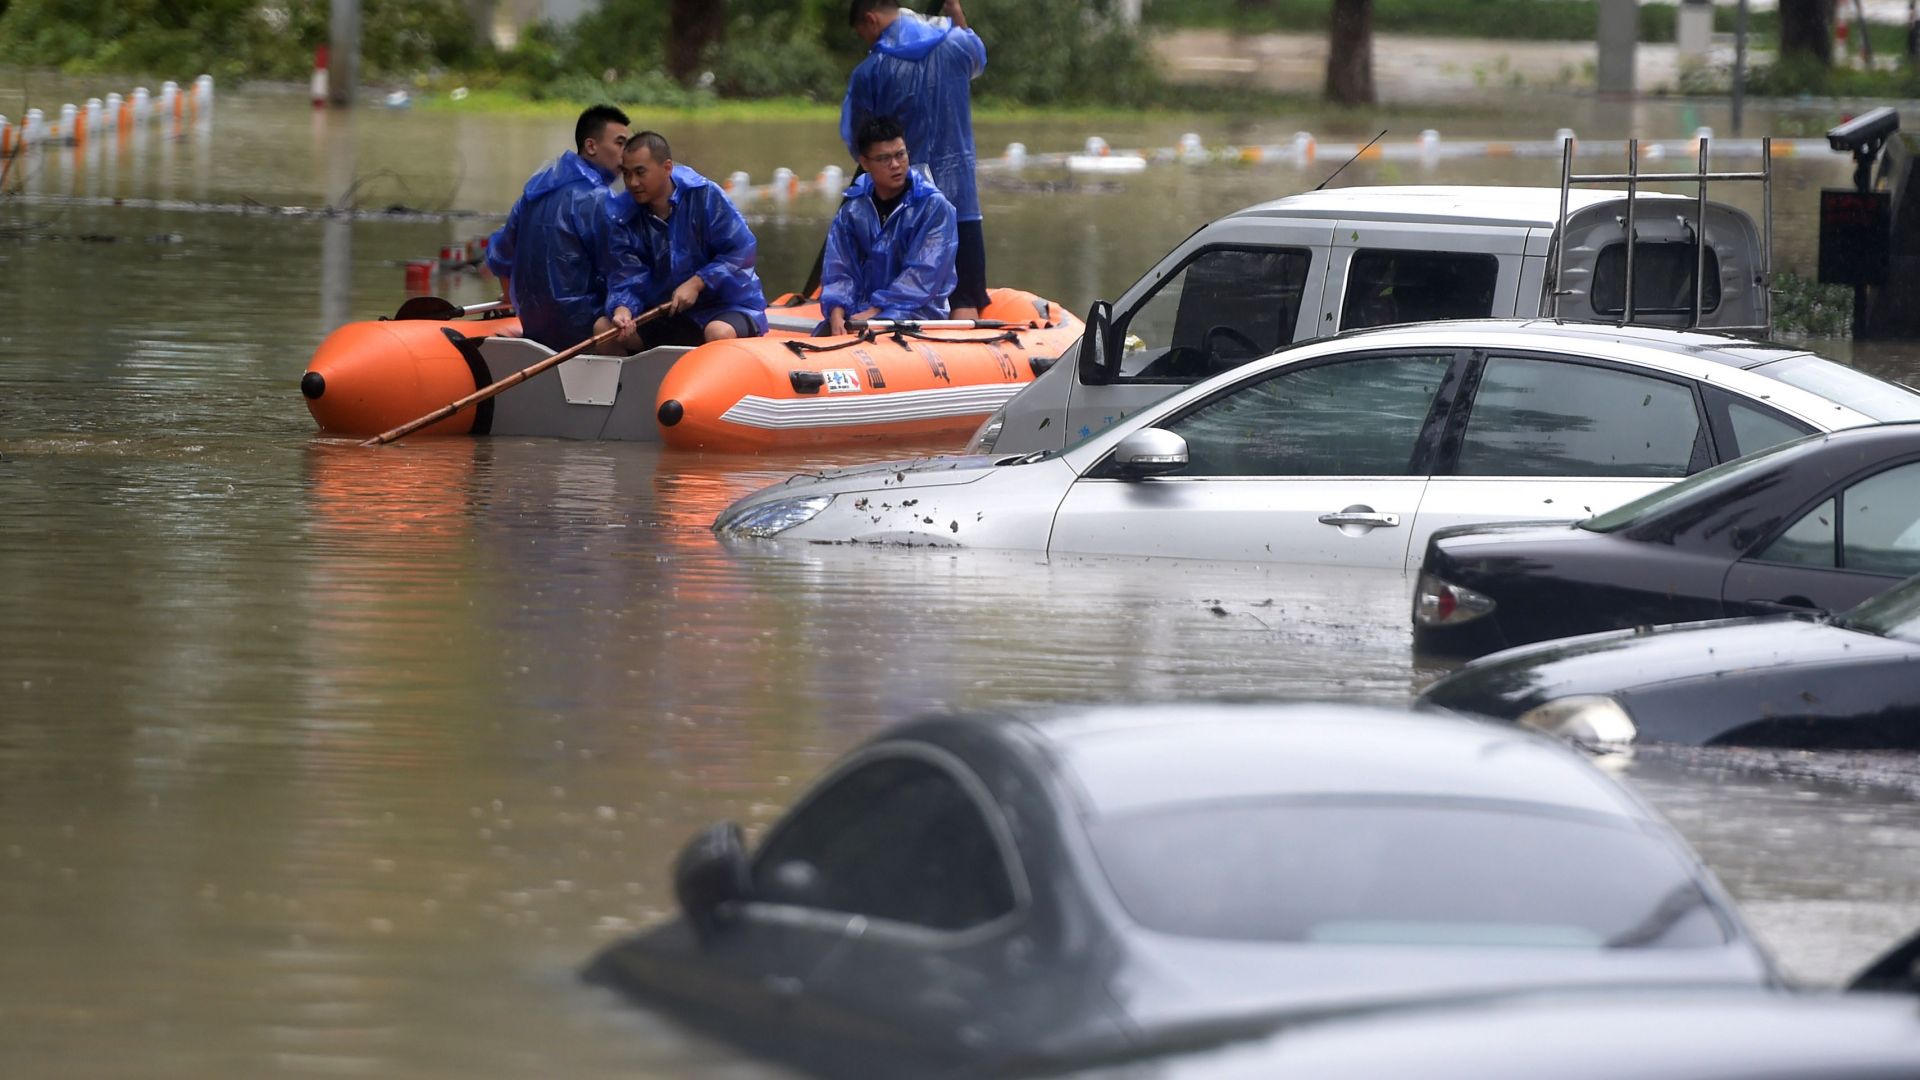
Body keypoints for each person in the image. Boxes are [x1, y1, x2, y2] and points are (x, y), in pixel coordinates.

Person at [841, 0, 988, 320]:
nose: (867, 42)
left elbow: (859, 139)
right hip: (961, 197)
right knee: (965, 298)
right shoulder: (957, 43)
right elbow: (977, 60)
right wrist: (955, 12)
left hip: (904, 205)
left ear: (870, 18)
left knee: (896, 290)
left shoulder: (872, 70)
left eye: (863, 34)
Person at [600, 131, 768, 350]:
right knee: (604, 330)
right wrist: (623, 309)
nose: (633, 182)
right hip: (666, 311)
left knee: (718, 332)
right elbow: (627, 275)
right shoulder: (623, 215)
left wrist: (699, 282)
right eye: (626, 173)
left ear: (667, 168)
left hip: (724, 306)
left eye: (641, 173)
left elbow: (740, 251)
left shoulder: (705, 196)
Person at [485, 104, 629, 351]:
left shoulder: (533, 193)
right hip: (584, 327)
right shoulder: (600, 200)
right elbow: (621, 268)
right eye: (620, 143)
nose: (626, 154)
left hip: (535, 326)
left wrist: (509, 296)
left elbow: (500, 254)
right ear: (591, 146)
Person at [819, 116, 958, 336]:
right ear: (865, 163)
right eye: (884, 158)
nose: (895, 165)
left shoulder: (935, 207)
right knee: (824, 334)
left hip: (917, 313)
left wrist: (877, 310)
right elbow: (839, 269)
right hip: (862, 312)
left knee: (882, 327)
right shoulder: (852, 212)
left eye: (900, 155)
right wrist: (837, 313)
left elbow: (924, 273)